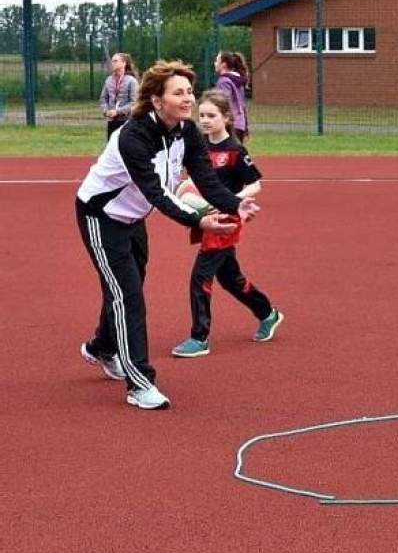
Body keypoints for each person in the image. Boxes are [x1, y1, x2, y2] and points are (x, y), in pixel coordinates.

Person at [76, 60, 260, 410]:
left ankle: (102, 346)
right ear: (157, 101)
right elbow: (156, 194)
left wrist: (236, 205)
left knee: (126, 285)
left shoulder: (188, 132)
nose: (188, 98)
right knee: (127, 295)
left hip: (133, 218)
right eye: (179, 92)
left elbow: (206, 180)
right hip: (101, 216)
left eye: (189, 91)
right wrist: (198, 220)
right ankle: (140, 383)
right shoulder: (134, 136)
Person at [171, 89, 283, 358]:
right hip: (208, 217)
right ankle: (267, 312)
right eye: (202, 116)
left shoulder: (234, 150)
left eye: (212, 115)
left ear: (226, 118)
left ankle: (200, 337)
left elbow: (255, 184)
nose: (206, 121)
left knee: (201, 277)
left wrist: (233, 199)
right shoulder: (198, 146)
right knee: (230, 278)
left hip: (227, 220)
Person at [99, 52, 138, 138]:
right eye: (112, 61)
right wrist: (106, 111)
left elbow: (134, 103)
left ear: (123, 63)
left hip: (127, 122)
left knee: (125, 148)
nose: (112, 63)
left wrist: (118, 112)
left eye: (115, 61)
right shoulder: (108, 80)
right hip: (112, 122)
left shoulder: (131, 81)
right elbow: (103, 99)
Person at [214, 51, 250, 142]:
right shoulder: (238, 81)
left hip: (230, 125)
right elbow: (242, 106)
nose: (214, 63)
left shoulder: (224, 81)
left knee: (226, 154)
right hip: (240, 124)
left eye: (216, 61)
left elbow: (224, 103)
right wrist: (245, 127)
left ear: (223, 65)